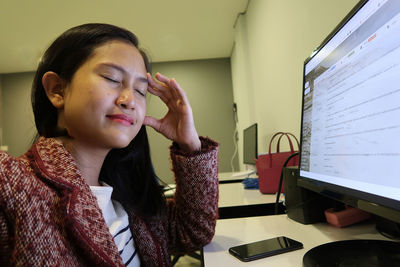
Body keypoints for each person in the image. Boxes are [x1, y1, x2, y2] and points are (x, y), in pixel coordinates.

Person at [0, 23, 219, 266]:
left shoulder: (127, 200)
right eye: (112, 78)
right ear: (57, 90)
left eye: (140, 91)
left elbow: (193, 232)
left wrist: (190, 145)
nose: (130, 101)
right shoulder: (12, 182)